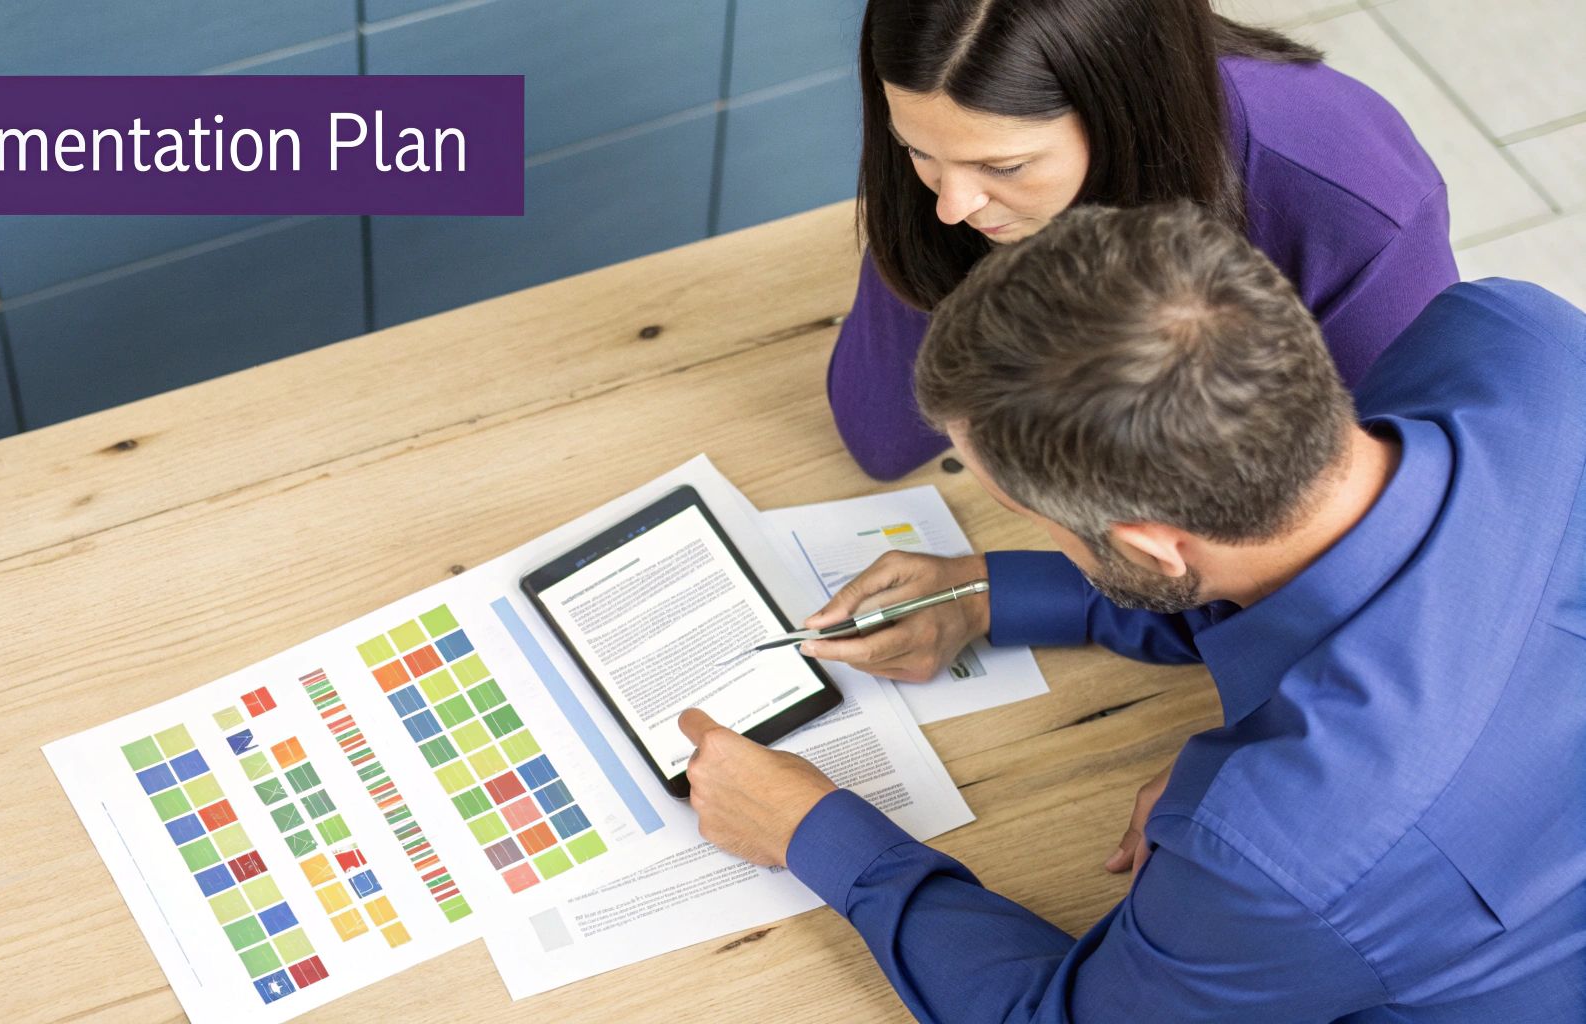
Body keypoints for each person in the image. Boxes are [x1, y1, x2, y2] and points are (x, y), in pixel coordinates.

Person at [679, 203, 1586, 1021]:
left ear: (1153, 547)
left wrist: (814, 833)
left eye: (1025, 516)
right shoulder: (1519, 340)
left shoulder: (1278, 856)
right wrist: (997, 589)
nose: (1022, 530)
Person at [832, 0, 1459, 481]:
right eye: (916, 148)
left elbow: (1370, 505)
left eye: (1004, 167)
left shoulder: (1357, 207)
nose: (950, 207)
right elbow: (882, 435)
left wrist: (1011, 590)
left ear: (1125, 115)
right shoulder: (959, 159)